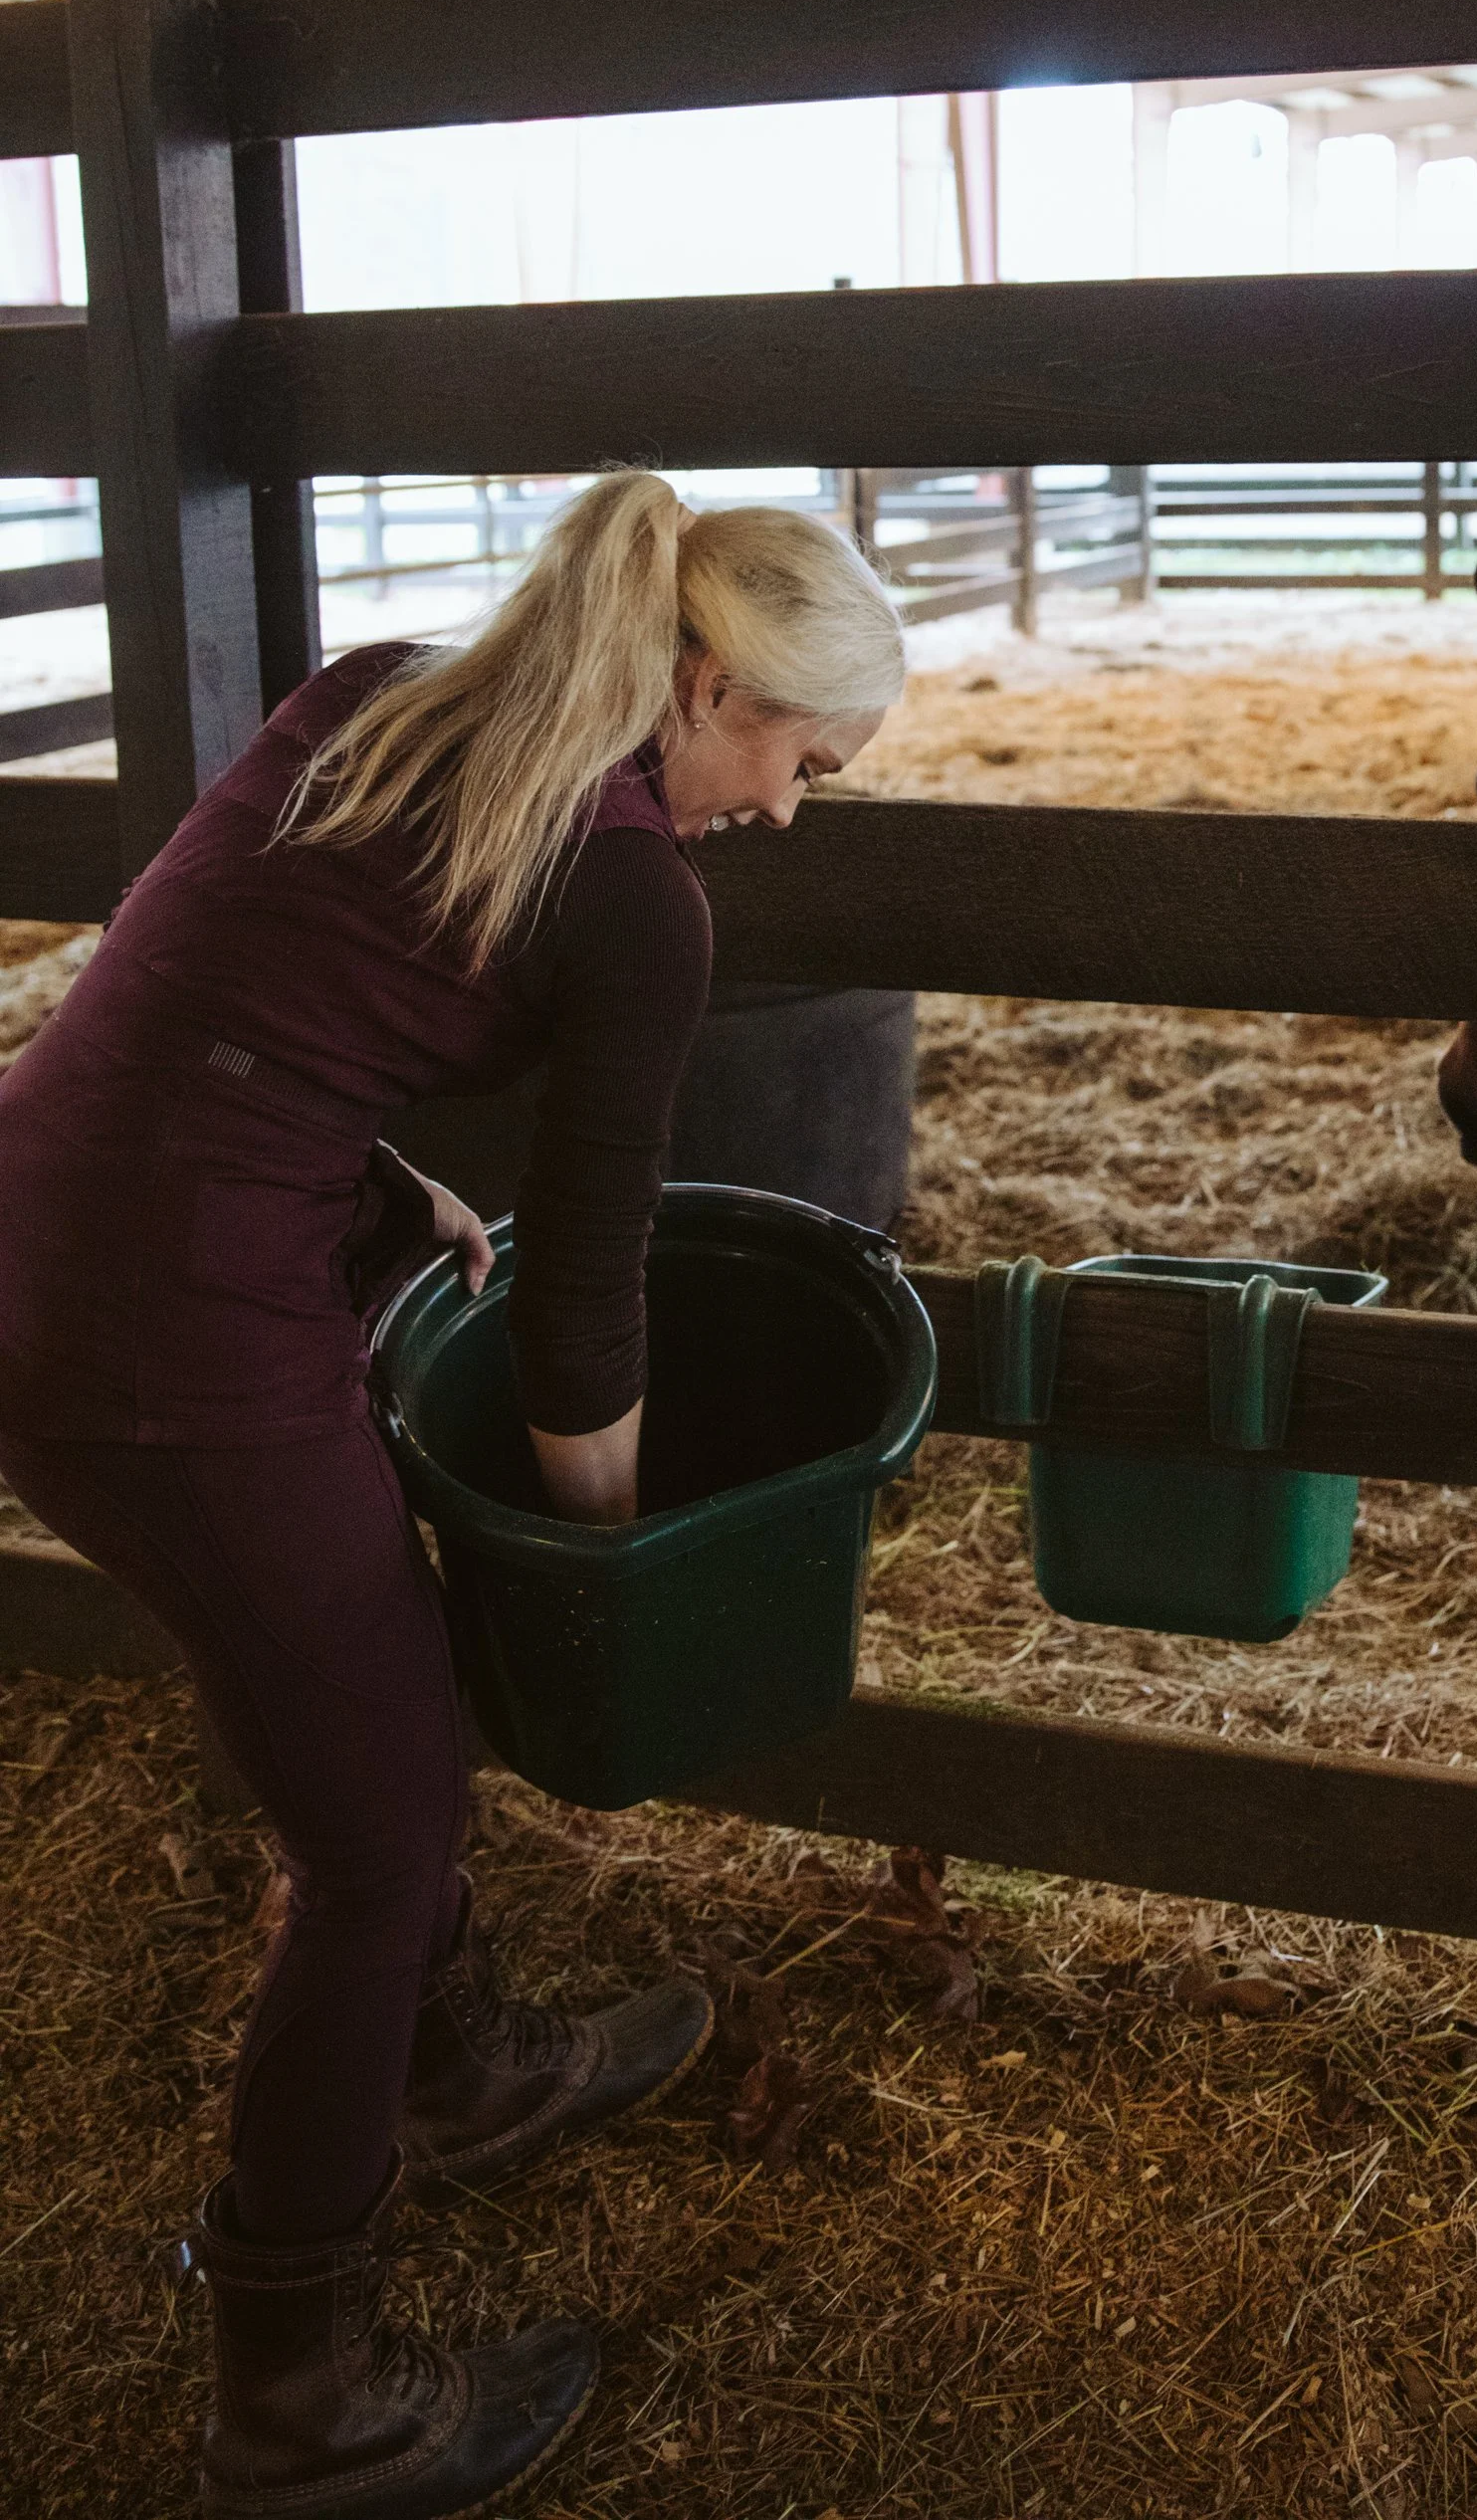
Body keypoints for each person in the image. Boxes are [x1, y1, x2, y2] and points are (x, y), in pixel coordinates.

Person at [0, 470, 904, 2517]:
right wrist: (615, 1550)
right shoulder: (638, 896)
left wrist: (373, 1170)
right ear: (705, 685)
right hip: (165, 1333)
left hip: (54, 1216)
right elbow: (584, 1305)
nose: (789, 809)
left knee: (363, 1716)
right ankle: (298, 2391)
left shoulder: (389, 694)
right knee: (382, 1829)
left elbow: (219, 972)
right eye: (803, 759)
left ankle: (457, 2063)